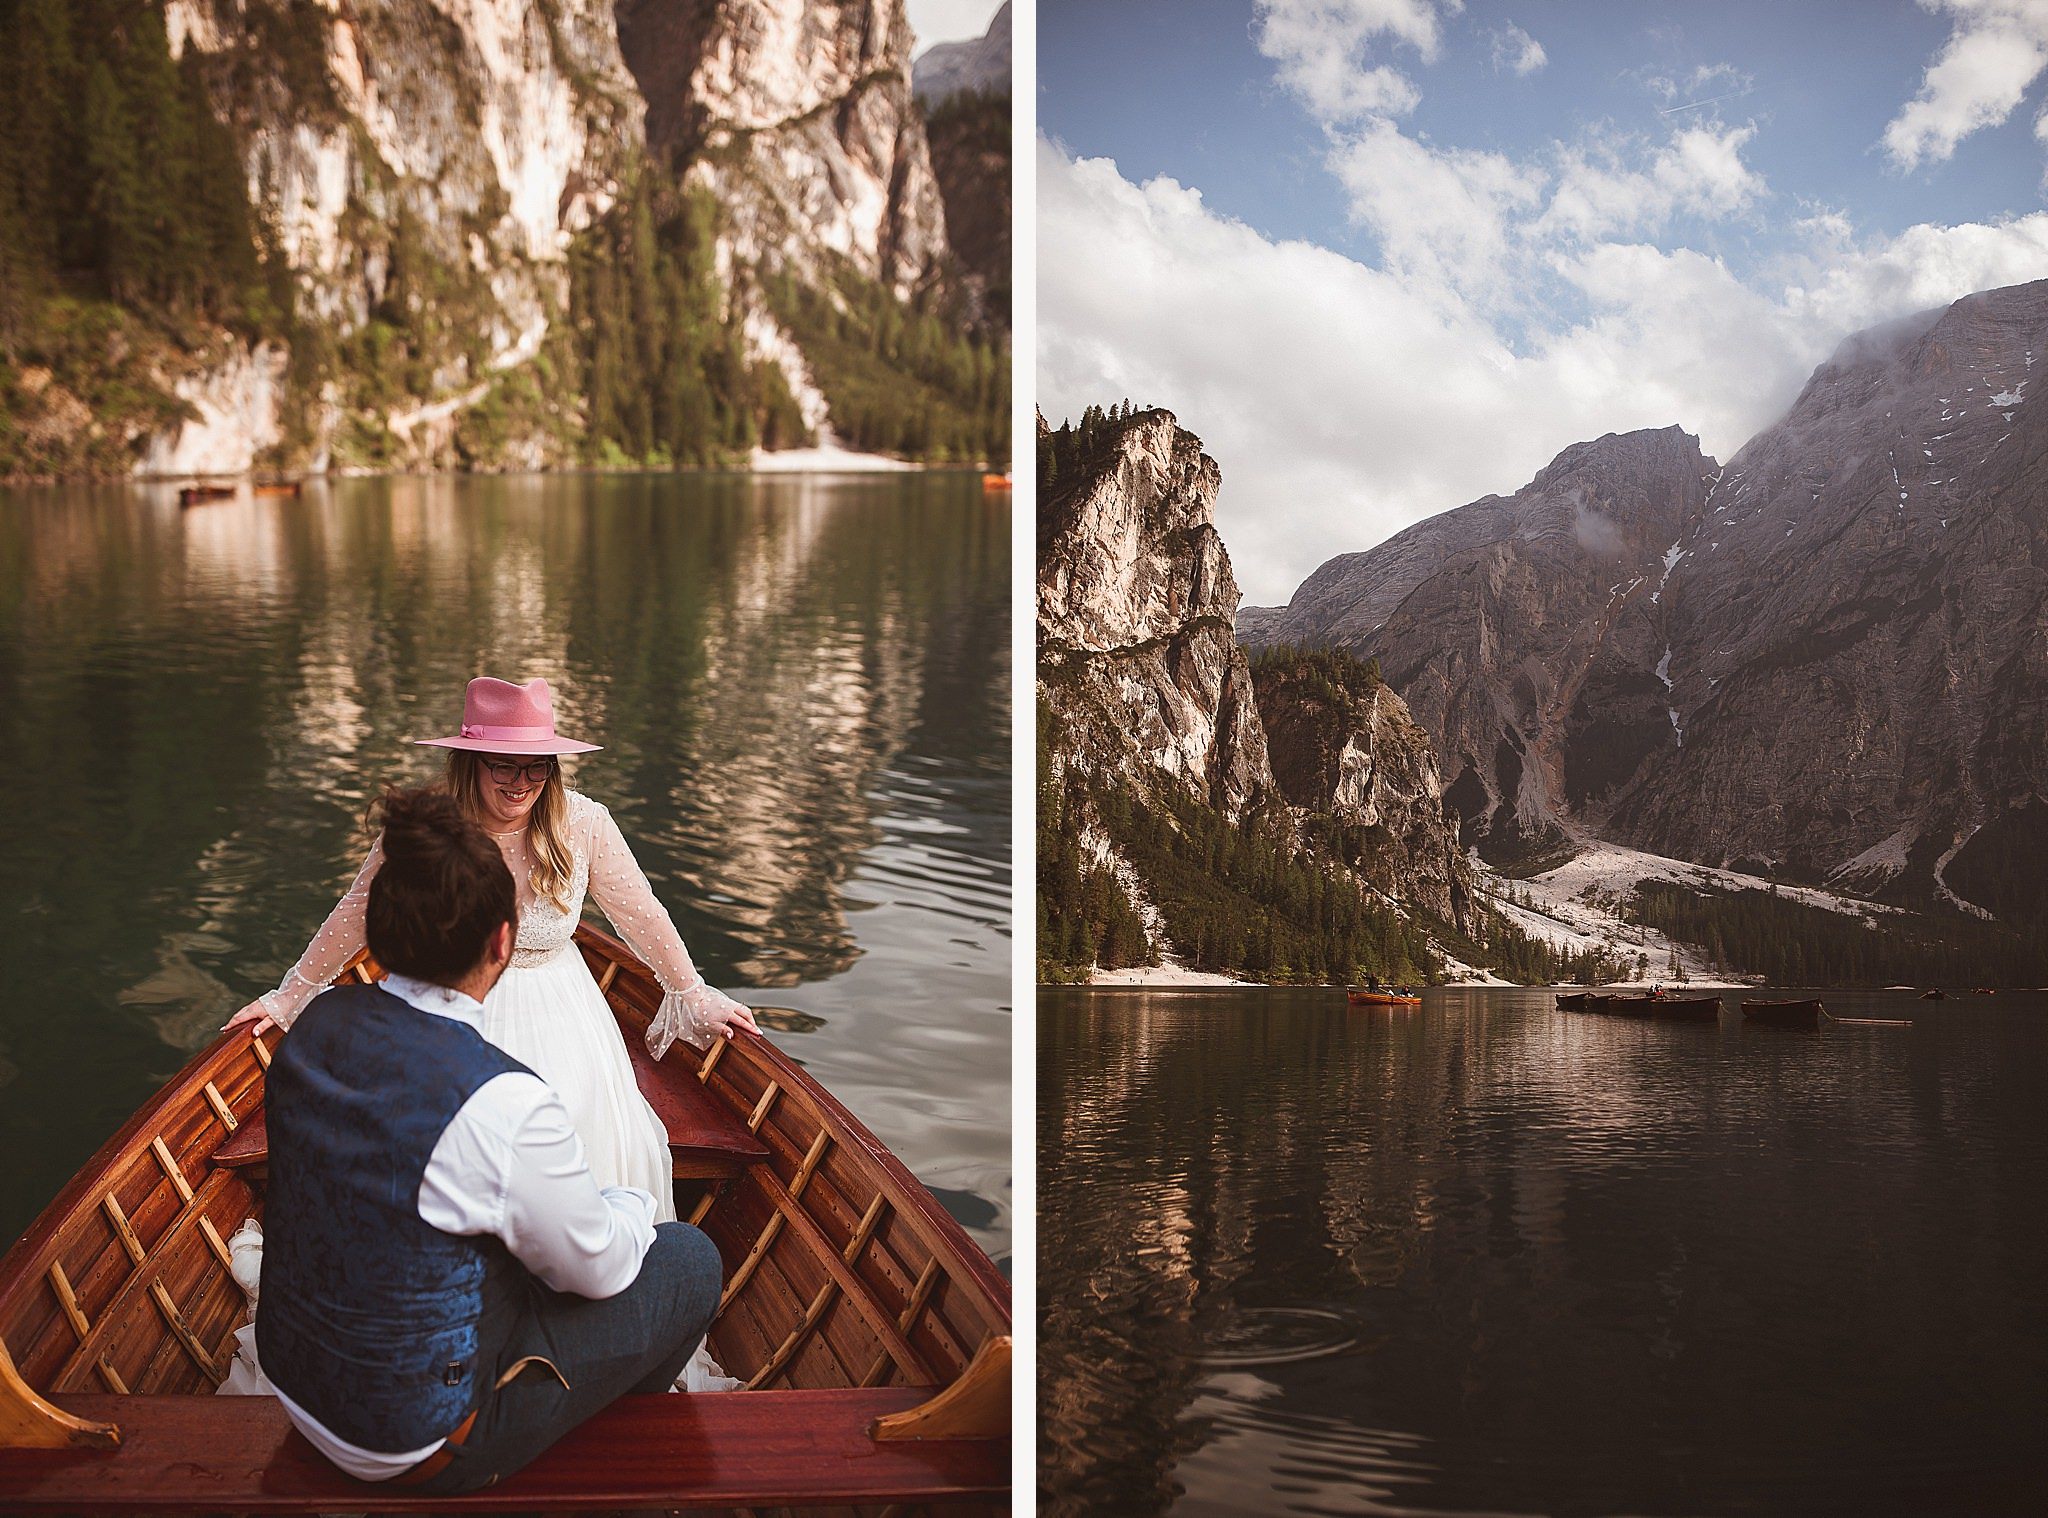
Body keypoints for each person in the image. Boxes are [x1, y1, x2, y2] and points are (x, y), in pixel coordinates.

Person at [257, 785, 722, 1493]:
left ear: (379, 937)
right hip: (420, 1441)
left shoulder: (315, 1031)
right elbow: (596, 1272)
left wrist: (291, 989)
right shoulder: (503, 1101)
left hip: (300, 1395)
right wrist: (626, 1202)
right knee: (687, 1259)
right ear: (503, 941)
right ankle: (611, 1478)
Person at [227, 676, 758, 1218]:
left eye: (537, 765)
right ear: (472, 761)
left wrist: (691, 991)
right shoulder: (429, 829)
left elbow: (642, 915)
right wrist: (290, 995)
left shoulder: (584, 822)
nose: (521, 781)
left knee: (572, 1115)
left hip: (561, 1004)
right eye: (503, 764)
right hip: (450, 1004)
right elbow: (357, 909)